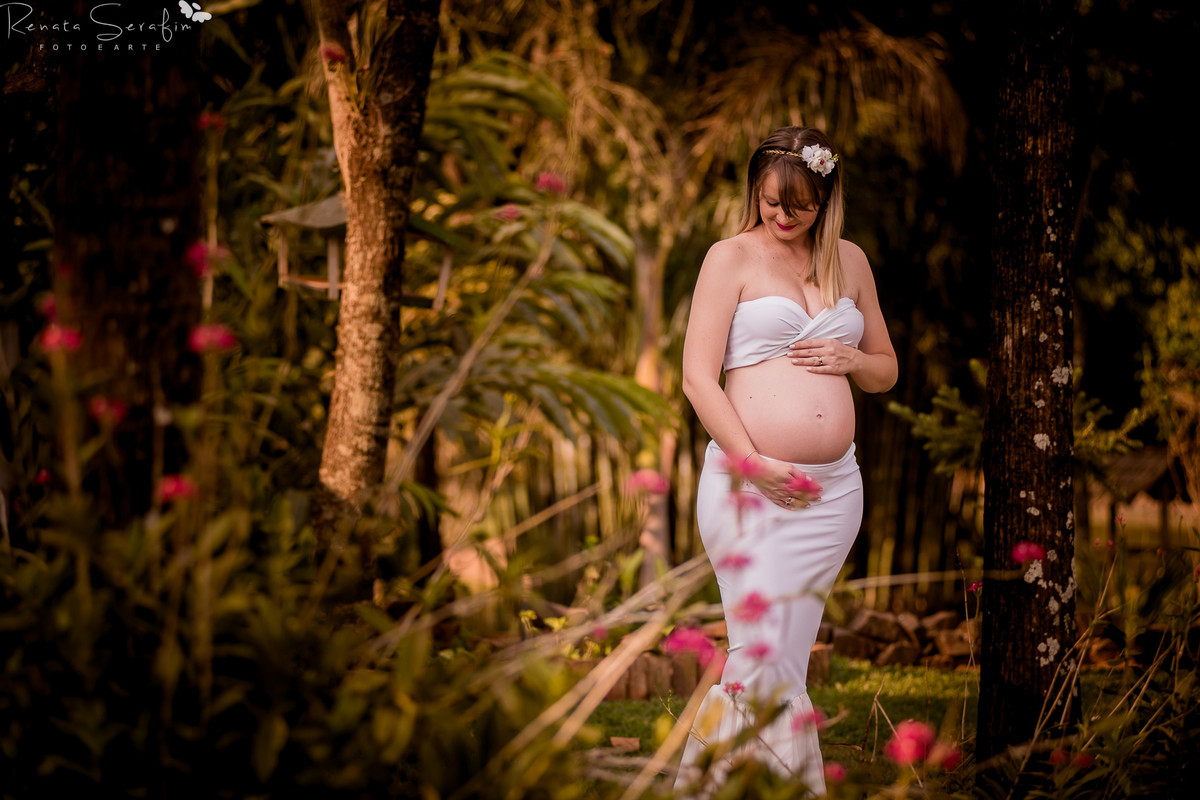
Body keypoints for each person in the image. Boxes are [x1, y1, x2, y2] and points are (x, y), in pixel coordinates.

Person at [675, 126, 897, 796]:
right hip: (748, 488)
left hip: (832, 496)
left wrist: (855, 360)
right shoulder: (730, 257)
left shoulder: (850, 262)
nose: (782, 215)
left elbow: (886, 371)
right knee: (759, 657)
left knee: (784, 660)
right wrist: (754, 465)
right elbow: (696, 378)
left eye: (798, 205)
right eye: (771, 201)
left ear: (826, 198)